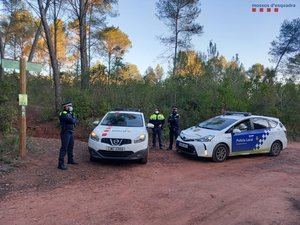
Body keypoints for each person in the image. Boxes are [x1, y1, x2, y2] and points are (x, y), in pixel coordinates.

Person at [58, 101, 78, 170]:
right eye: (69, 105)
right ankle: (60, 164)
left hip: (70, 132)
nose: (71, 107)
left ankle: (70, 160)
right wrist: (73, 119)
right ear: (65, 107)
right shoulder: (63, 113)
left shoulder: (70, 113)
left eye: (71, 105)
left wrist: (74, 119)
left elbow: (75, 120)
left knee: (71, 146)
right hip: (65, 132)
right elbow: (72, 121)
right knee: (64, 148)